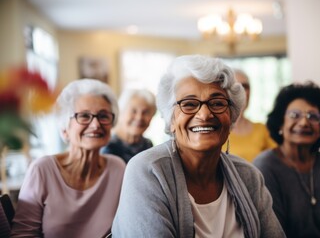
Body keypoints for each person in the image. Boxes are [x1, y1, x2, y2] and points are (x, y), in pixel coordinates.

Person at [111, 55, 285, 237]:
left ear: (231, 117)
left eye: (217, 103)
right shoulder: (147, 170)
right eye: (189, 104)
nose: (204, 114)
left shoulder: (248, 176)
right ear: (171, 119)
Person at [11, 79, 126, 237]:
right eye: (84, 116)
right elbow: (23, 234)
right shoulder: (42, 170)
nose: (96, 125)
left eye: (103, 116)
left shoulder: (118, 168)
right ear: (64, 129)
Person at [253, 81, 320, 237]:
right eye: (294, 115)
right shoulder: (265, 167)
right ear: (281, 124)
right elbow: (271, 232)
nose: (304, 122)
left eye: (313, 116)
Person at [224, 69, 276, 162]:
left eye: (245, 86)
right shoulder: (218, 131)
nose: (242, 91)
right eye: (236, 86)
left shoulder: (262, 129)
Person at [101, 88, 156, 163]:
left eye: (145, 112)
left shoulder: (147, 145)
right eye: (134, 111)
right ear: (121, 112)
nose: (139, 117)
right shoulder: (107, 146)